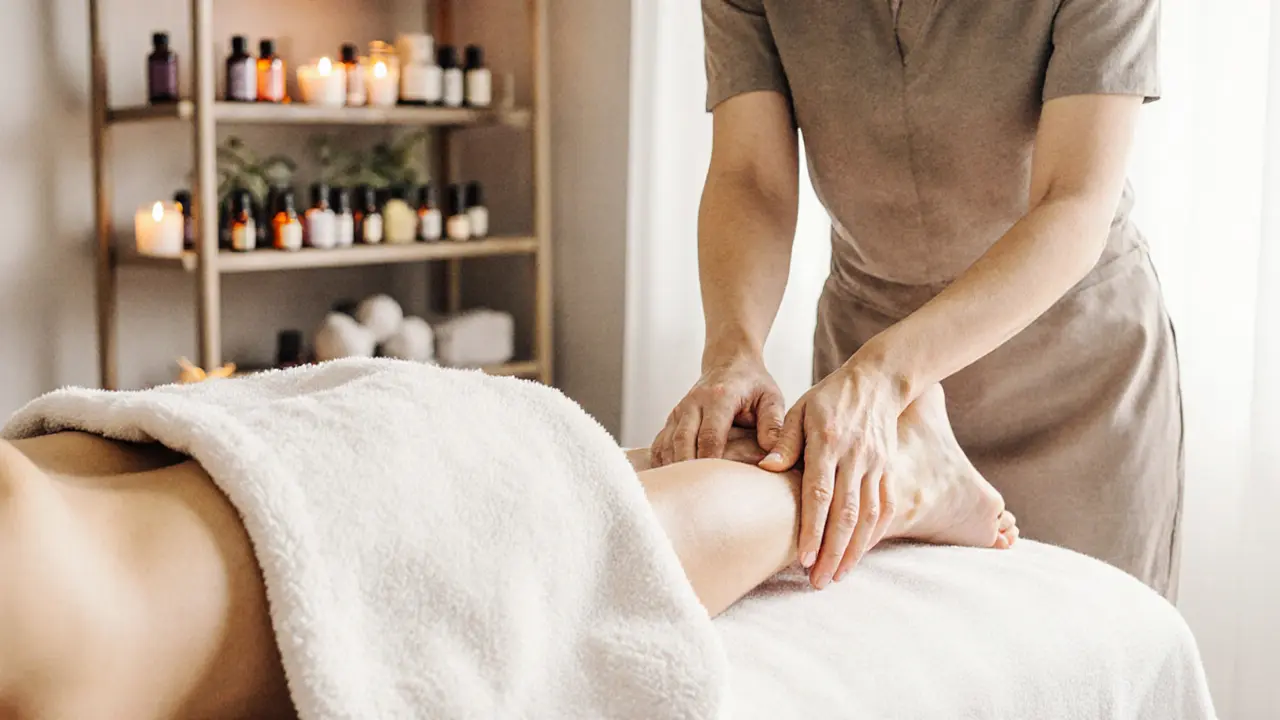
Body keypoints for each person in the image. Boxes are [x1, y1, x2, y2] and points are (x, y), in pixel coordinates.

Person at [0, 383, 1014, 719]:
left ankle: (905, 481)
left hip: (264, 490)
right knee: (558, 482)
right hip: (222, 464)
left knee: (595, 536)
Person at [652, 0, 1181, 597]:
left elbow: (1075, 202)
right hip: (869, 387)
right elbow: (749, 175)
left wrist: (887, 375)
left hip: (1072, 387)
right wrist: (733, 350)